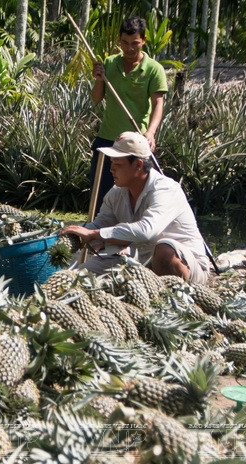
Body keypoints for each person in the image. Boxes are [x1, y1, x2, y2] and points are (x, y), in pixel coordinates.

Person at [61, 132, 210, 284]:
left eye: (118, 164)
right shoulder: (116, 193)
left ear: (138, 165)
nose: (111, 169)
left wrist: (93, 233)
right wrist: (76, 234)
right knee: (78, 278)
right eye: (111, 163)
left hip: (189, 266)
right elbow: (101, 224)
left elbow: (146, 231)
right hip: (142, 262)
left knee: (165, 249)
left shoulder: (165, 189)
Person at [90, 16, 168, 208]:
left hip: (135, 142)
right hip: (107, 139)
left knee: (134, 198)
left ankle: (132, 235)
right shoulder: (109, 63)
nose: (129, 48)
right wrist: (99, 79)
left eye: (135, 43)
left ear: (144, 41)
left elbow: (158, 103)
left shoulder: (154, 69)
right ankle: (97, 236)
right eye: (125, 43)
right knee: (99, 197)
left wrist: (150, 133)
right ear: (119, 40)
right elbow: (96, 98)